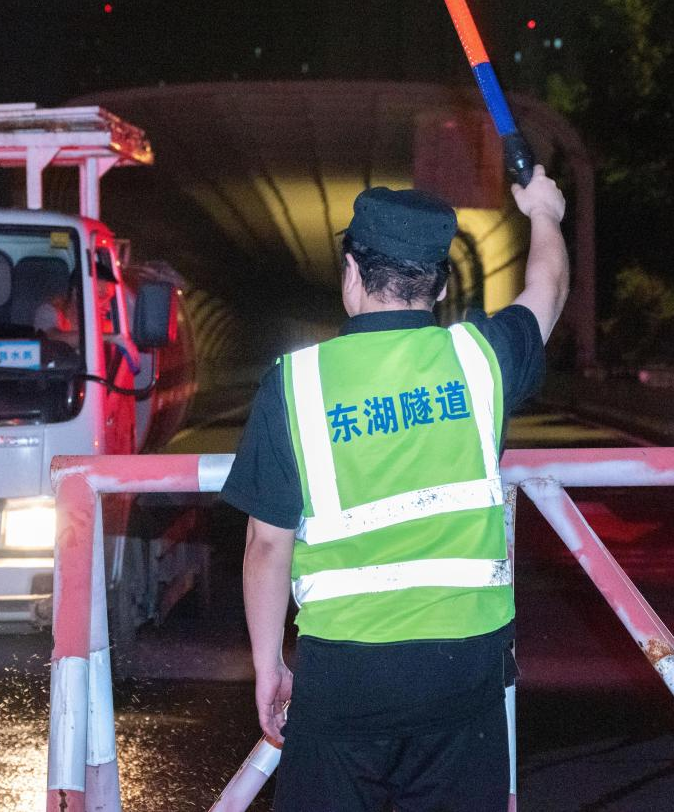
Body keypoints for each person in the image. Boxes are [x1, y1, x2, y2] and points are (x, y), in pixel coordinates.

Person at [221, 165, 569, 812]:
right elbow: (546, 289)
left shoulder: (294, 384)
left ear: (351, 272)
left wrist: (268, 665)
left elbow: (266, 546)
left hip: (344, 671)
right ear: (439, 285)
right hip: (464, 667)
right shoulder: (481, 359)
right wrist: (543, 212)